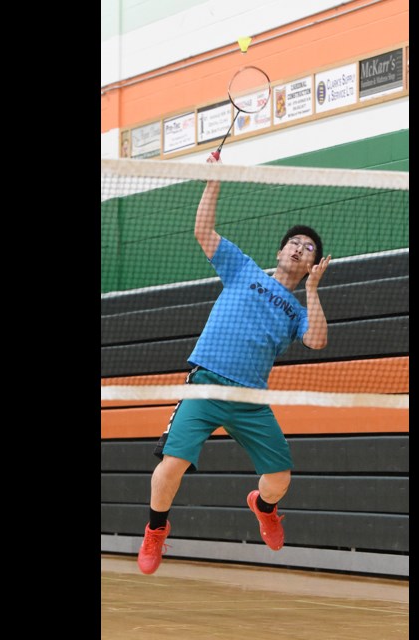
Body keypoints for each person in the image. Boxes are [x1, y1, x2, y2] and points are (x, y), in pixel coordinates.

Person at [137, 152, 332, 575]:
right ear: (280, 250)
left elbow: (316, 340)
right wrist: (214, 180)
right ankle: (155, 531)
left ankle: (263, 509)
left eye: (308, 249)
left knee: (280, 478)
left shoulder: (299, 310)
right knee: (171, 465)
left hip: (249, 398)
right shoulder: (243, 268)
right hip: (206, 384)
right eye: (294, 243)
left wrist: (313, 290)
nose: (299, 248)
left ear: (312, 264)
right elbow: (202, 230)